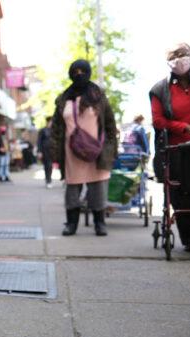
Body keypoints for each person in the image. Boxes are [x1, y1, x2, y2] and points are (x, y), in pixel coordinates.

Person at [51, 59, 118, 237]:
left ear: (88, 73)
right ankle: (71, 224)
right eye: (75, 71)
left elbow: (110, 125)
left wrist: (110, 150)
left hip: (97, 152)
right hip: (71, 153)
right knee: (72, 191)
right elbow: (56, 129)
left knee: (98, 191)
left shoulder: (98, 96)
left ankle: (99, 223)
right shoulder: (63, 99)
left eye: (83, 71)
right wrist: (54, 152)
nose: (79, 75)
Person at [150, 43, 190, 252]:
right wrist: (185, 127)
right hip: (178, 149)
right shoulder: (161, 89)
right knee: (182, 192)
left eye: (183, 56)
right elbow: (158, 121)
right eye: (174, 57)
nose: (179, 60)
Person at [37, 116, 54, 188]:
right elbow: (39, 141)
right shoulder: (43, 130)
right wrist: (39, 151)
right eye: (50, 122)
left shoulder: (53, 130)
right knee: (47, 165)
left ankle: (49, 179)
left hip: (52, 150)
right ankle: (48, 180)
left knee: (50, 166)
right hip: (44, 150)